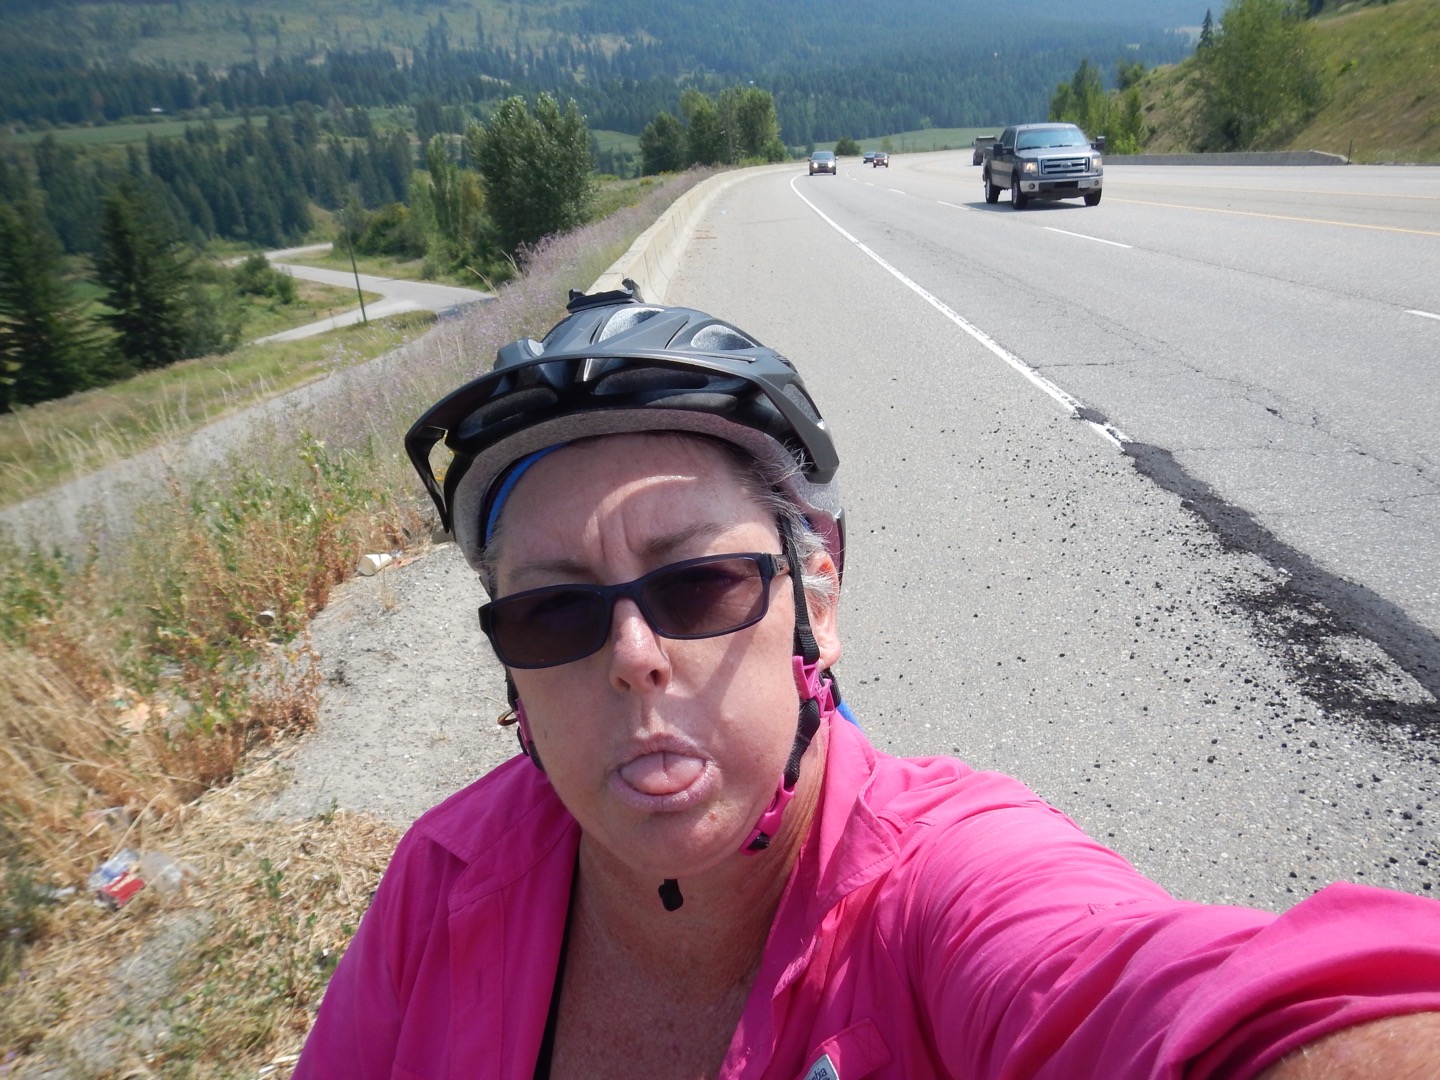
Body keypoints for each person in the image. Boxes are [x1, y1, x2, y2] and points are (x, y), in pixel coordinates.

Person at [296, 288, 1440, 1079]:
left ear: (818, 602)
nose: (633, 654)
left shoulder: (947, 886)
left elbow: (1181, 1001)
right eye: (553, 612)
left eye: (699, 585)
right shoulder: (440, 881)